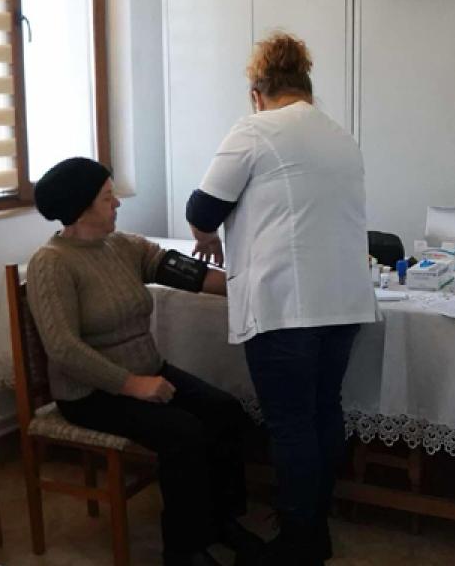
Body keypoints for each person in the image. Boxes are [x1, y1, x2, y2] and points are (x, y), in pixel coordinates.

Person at [185, 32, 377, 565]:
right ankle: (315, 525)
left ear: (257, 93)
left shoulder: (255, 128)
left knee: (291, 424)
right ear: (307, 87)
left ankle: (298, 542)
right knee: (323, 411)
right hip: (344, 300)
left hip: (287, 304)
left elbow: (202, 208)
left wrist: (205, 236)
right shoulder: (340, 136)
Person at [26, 157, 263, 566]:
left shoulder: (122, 246)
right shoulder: (51, 263)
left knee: (224, 411)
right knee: (182, 433)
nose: (117, 203)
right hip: (91, 392)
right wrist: (132, 385)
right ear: (81, 208)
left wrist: (251, 287)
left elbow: (187, 273)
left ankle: (221, 522)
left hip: (147, 372)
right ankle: (184, 550)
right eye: (107, 197)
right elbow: (63, 349)